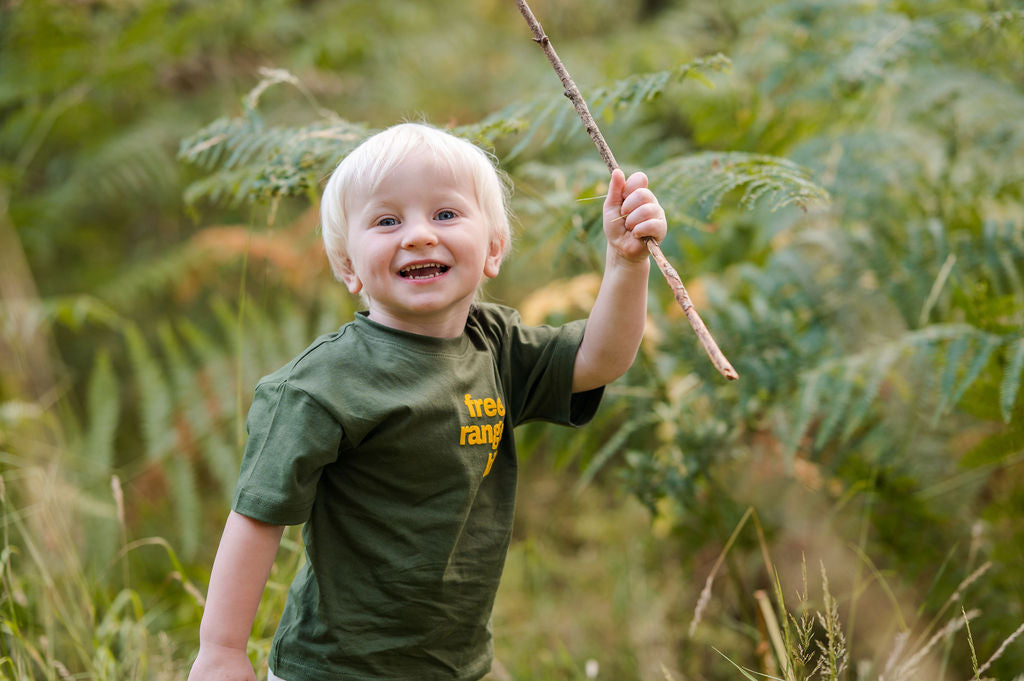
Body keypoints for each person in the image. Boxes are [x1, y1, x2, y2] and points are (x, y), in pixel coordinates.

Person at [187, 122, 667, 681]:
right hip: (339, 669)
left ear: (492, 249)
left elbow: (598, 360)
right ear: (348, 267)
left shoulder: (495, 344)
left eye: (445, 215)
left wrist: (627, 264)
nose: (417, 235)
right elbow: (257, 516)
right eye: (387, 221)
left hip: (457, 664)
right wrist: (221, 651)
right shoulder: (320, 386)